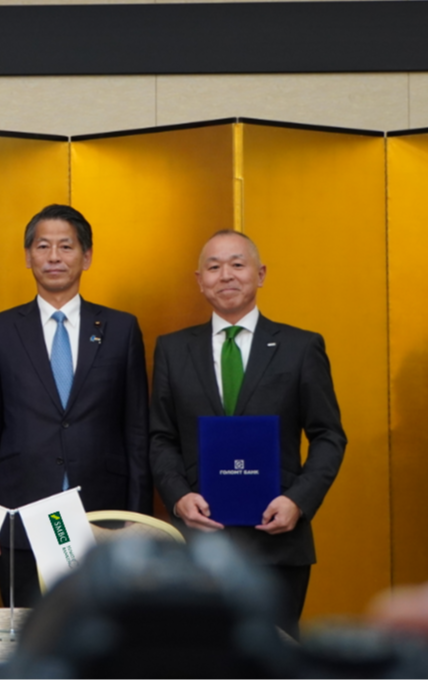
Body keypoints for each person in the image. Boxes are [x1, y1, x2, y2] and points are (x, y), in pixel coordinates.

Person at [149, 229, 346, 639]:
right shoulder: (172, 349)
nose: (226, 275)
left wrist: (298, 501)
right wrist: (178, 497)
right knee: (194, 655)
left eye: (237, 264)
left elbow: (328, 435)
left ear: (261, 274)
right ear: (199, 280)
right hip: (197, 544)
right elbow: (161, 436)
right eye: (214, 267)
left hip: (277, 543)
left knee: (273, 656)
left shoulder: (301, 347)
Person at [0, 204, 151, 607]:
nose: (54, 257)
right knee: (26, 630)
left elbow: (136, 429)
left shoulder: (121, 329)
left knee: (102, 631)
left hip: (103, 513)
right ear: (28, 256)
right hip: (19, 510)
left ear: (86, 256)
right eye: (43, 246)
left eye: (66, 246)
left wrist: (137, 517)